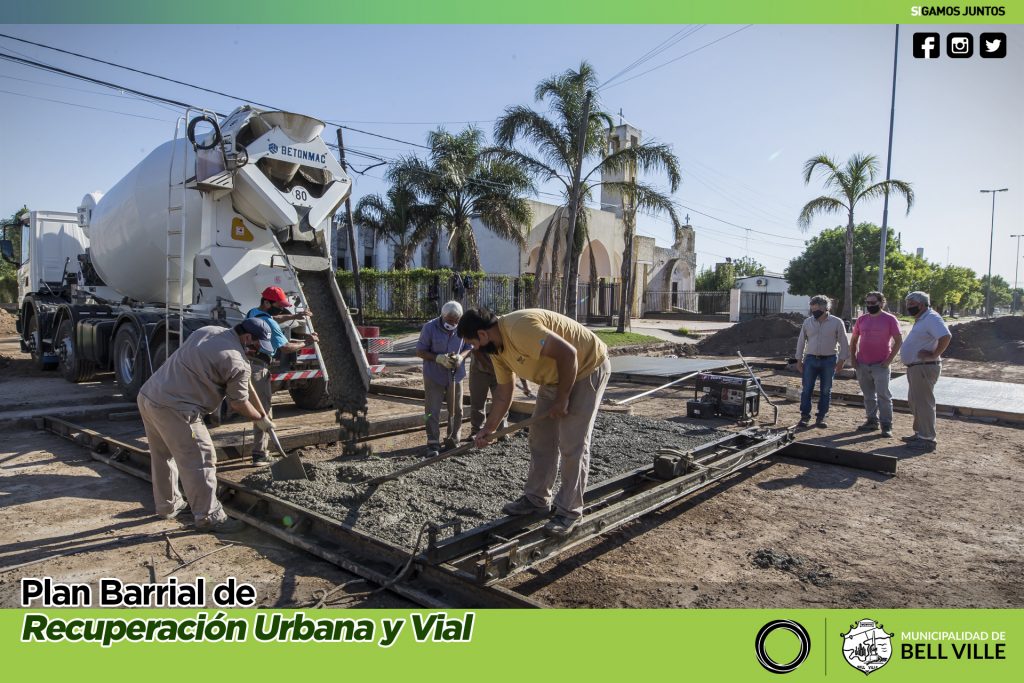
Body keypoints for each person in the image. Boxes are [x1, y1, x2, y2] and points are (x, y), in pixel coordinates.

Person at [457, 307, 610, 539]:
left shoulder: (519, 328)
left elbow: (569, 354)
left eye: (472, 342)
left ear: (482, 334)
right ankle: (536, 499)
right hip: (555, 377)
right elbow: (503, 393)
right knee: (541, 439)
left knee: (572, 443)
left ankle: (569, 511)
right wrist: (488, 429)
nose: (473, 348)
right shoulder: (497, 351)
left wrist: (563, 398)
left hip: (586, 368)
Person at [137, 319, 275, 534]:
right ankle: (209, 517)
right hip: (178, 408)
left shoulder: (208, 331)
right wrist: (260, 418)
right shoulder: (237, 363)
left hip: (150, 396)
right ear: (247, 338)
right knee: (201, 457)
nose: (257, 350)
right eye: (257, 345)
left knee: (163, 454)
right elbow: (239, 403)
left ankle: (169, 505)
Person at [246, 286, 319, 466]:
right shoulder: (269, 323)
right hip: (258, 367)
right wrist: (306, 342)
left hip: (245, 362)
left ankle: (260, 451)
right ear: (266, 302)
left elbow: (274, 318)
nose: (282, 308)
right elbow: (285, 347)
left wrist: (294, 316)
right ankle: (260, 454)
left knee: (256, 407)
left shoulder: (253, 313)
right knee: (264, 411)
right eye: (279, 305)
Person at [416, 301, 471, 458]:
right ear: (443, 316)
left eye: (456, 321)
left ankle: (453, 439)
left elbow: (469, 347)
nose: (453, 324)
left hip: (456, 374)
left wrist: (461, 356)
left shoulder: (462, 327)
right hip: (434, 376)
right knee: (432, 411)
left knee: (457, 409)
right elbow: (420, 351)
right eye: (450, 320)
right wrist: (438, 358)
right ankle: (432, 442)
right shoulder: (430, 327)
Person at [899, 291, 951, 451]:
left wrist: (934, 354)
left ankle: (928, 438)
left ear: (921, 305)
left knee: (924, 403)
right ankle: (920, 433)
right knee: (915, 401)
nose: (908, 307)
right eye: (907, 304)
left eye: (911, 304)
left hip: (924, 367)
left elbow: (946, 336)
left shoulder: (931, 318)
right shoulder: (922, 318)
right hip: (916, 368)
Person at [849, 291, 903, 438]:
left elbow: (898, 341)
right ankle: (872, 421)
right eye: (867, 303)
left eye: (873, 303)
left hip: (881, 365)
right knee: (868, 396)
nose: (870, 305)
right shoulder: (861, 320)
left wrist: (889, 360)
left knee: (884, 395)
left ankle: (887, 425)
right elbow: (854, 340)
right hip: (862, 364)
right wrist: (853, 359)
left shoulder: (890, 319)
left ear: (881, 303)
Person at [795, 295, 850, 429]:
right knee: (807, 389)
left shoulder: (837, 322)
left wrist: (842, 360)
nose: (815, 312)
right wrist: (799, 359)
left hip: (829, 360)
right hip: (810, 359)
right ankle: (804, 417)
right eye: (813, 309)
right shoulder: (808, 322)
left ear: (826, 308)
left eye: (817, 309)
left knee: (826, 390)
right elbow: (801, 341)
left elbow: (844, 342)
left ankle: (822, 417)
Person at [468, 345, 508, 436]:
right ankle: (477, 430)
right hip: (479, 370)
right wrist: (489, 366)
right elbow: (474, 349)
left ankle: (502, 430)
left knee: (502, 399)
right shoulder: (477, 333)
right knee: (477, 401)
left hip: (500, 368)